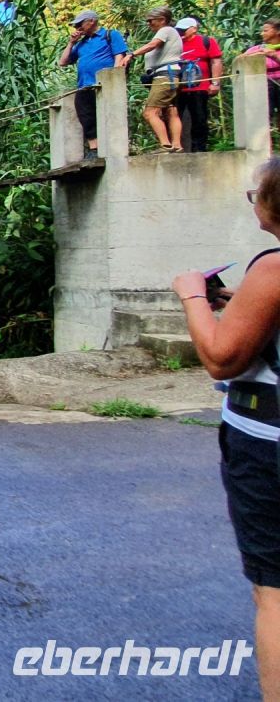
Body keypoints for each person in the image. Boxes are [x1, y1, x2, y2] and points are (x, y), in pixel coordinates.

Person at [173, 157, 280, 699]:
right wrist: (238, 303)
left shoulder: (275, 268)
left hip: (269, 446)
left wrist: (194, 296)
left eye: (254, 193)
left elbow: (222, 357)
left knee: (277, 592)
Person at [59, 9, 128, 160]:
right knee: (86, 116)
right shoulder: (81, 44)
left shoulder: (110, 35)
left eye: (80, 24)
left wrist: (113, 79)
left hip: (104, 84)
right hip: (84, 85)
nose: (77, 27)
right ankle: (94, 149)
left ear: (92, 21)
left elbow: (119, 56)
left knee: (108, 115)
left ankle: (113, 148)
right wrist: (71, 43)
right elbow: (63, 62)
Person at [124, 6, 184, 153]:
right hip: (171, 76)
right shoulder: (171, 33)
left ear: (162, 20)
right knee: (171, 112)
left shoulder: (166, 30)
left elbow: (153, 45)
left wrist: (132, 55)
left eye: (151, 21)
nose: (148, 24)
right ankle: (176, 145)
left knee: (150, 112)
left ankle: (165, 145)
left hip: (164, 77)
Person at [175, 17, 223, 153]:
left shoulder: (206, 41)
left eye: (184, 30)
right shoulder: (176, 43)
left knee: (199, 119)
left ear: (194, 29)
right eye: (179, 30)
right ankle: (177, 148)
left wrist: (215, 83)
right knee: (174, 117)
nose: (181, 32)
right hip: (179, 88)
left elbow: (216, 61)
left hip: (200, 87)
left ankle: (199, 149)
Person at [244, 19, 280, 121]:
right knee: (264, 115)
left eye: (265, 30)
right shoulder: (257, 49)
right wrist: (252, 55)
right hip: (264, 85)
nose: (262, 33)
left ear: (277, 31)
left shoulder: (272, 51)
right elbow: (239, 61)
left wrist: (274, 55)